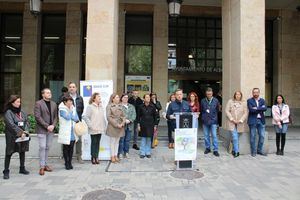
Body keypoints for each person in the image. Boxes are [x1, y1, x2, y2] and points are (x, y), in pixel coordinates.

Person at [3, 95, 30, 179]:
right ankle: (6, 171)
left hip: (22, 136)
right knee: (9, 152)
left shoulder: (22, 111)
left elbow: (27, 122)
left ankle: (22, 168)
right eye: (17, 102)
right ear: (12, 103)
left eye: (20, 101)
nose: (19, 103)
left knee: (22, 151)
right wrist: (20, 132)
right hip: (12, 136)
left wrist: (25, 132)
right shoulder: (8, 112)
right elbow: (11, 125)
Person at [34, 88, 58, 176]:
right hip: (42, 129)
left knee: (47, 147)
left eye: (50, 92)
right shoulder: (38, 103)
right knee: (42, 147)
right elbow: (37, 117)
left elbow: (56, 117)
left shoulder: (54, 104)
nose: (49, 94)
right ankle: (41, 166)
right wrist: (47, 126)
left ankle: (45, 164)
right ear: (43, 95)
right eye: (47, 93)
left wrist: (53, 126)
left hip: (51, 130)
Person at [82, 93, 106, 164]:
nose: (100, 98)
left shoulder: (101, 107)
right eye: (98, 96)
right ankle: (93, 157)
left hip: (100, 128)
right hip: (93, 128)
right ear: (94, 98)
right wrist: (90, 125)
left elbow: (102, 117)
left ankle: (97, 157)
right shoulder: (90, 107)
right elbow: (86, 117)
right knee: (94, 143)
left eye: (100, 96)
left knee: (98, 143)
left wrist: (104, 126)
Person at [58, 95, 79, 170]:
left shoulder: (73, 108)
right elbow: (67, 117)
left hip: (72, 131)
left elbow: (76, 118)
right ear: (65, 102)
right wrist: (71, 112)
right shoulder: (62, 108)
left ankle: (70, 162)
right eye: (69, 101)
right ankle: (66, 162)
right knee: (66, 148)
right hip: (65, 131)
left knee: (71, 148)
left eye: (71, 101)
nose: (71, 102)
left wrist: (72, 115)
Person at [225, 91, 248, 158]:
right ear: (234, 95)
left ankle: (233, 148)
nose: (238, 95)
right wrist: (232, 119)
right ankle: (236, 151)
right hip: (232, 122)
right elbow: (227, 110)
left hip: (240, 123)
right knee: (235, 137)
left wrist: (241, 120)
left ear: (241, 95)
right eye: (236, 94)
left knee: (235, 137)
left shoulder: (244, 102)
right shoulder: (230, 101)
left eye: (239, 94)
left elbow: (245, 113)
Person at [137, 94, 159, 158]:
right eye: (146, 97)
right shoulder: (140, 106)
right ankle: (142, 152)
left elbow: (155, 116)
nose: (148, 98)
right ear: (144, 99)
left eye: (149, 97)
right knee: (143, 139)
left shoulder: (153, 106)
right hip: (143, 124)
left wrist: (155, 125)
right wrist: (138, 125)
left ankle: (148, 152)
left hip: (150, 125)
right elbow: (138, 117)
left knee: (149, 139)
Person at [247, 88, 267, 157]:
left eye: (257, 92)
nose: (255, 94)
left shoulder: (262, 100)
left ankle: (259, 150)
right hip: (253, 120)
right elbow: (251, 110)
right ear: (252, 93)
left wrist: (256, 108)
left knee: (262, 136)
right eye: (254, 92)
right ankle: (253, 151)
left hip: (261, 120)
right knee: (253, 136)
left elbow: (265, 108)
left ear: (259, 93)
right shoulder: (249, 100)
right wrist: (260, 108)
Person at [106, 94, 126, 163]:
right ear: (113, 99)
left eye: (118, 97)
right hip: (113, 126)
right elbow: (108, 117)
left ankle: (115, 155)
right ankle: (112, 156)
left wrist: (122, 123)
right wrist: (117, 124)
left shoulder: (121, 106)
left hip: (120, 126)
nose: (118, 98)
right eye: (117, 97)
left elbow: (123, 116)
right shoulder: (109, 106)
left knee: (117, 142)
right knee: (112, 142)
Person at [67, 82, 84, 164]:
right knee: (67, 139)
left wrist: (78, 119)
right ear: (68, 88)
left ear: (76, 88)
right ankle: (66, 156)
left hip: (77, 122)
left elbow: (82, 109)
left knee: (79, 140)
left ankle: (79, 156)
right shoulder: (65, 98)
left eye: (73, 87)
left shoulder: (80, 98)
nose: (72, 88)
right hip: (68, 122)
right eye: (70, 87)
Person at [201, 87, 220, 157]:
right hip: (205, 121)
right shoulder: (203, 101)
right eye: (208, 93)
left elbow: (217, 110)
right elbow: (202, 109)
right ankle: (208, 148)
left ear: (212, 93)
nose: (209, 95)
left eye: (210, 93)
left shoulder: (216, 100)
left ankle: (215, 150)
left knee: (214, 136)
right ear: (206, 94)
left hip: (213, 121)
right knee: (206, 136)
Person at [118, 94, 136, 159]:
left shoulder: (131, 106)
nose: (126, 99)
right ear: (122, 98)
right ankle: (120, 153)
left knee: (127, 140)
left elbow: (134, 115)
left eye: (127, 97)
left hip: (130, 125)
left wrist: (130, 120)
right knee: (121, 140)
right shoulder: (119, 106)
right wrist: (124, 120)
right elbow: (118, 115)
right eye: (124, 97)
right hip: (122, 126)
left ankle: (126, 152)